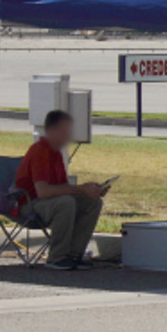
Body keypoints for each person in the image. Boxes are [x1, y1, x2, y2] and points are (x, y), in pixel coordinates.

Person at [14, 109, 106, 270]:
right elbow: (43, 191)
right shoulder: (40, 151)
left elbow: (64, 187)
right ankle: (57, 257)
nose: (69, 136)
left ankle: (74, 254)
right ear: (52, 131)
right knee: (66, 203)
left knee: (93, 202)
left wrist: (89, 191)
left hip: (47, 202)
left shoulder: (56, 154)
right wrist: (80, 189)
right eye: (65, 132)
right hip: (28, 204)